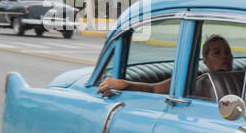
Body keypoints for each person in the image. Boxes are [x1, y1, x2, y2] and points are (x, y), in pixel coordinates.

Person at [98, 35, 236, 95]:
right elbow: (154, 89)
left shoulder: (241, 79)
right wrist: (126, 84)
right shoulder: (194, 81)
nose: (224, 56)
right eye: (217, 53)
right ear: (205, 60)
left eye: (227, 52)